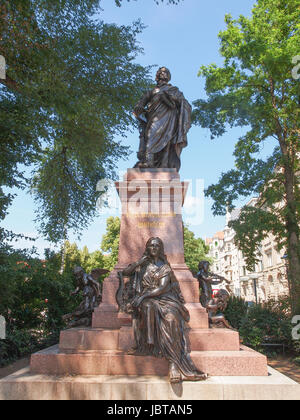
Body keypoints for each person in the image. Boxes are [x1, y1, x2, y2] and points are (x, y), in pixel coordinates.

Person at [120, 237, 207, 383]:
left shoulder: (165, 267)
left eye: (157, 245)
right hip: (148, 300)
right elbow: (126, 273)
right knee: (147, 307)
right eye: (151, 245)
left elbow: (161, 288)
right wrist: (140, 262)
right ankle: (149, 343)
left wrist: (143, 296)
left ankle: (173, 364)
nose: (154, 248)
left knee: (171, 318)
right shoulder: (142, 265)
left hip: (165, 298)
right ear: (147, 248)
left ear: (161, 248)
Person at [133, 67, 191, 171]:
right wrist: (139, 107)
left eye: (165, 72)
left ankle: (164, 164)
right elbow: (141, 102)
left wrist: (171, 98)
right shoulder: (152, 91)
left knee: (167, 140)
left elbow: (183, 102)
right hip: (154, 117)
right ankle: (148, 161)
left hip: (169, 118)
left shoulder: (174, 90)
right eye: (161, 72)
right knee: (150, 135)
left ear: (168, 76)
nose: (163, 74)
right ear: (157, 75)